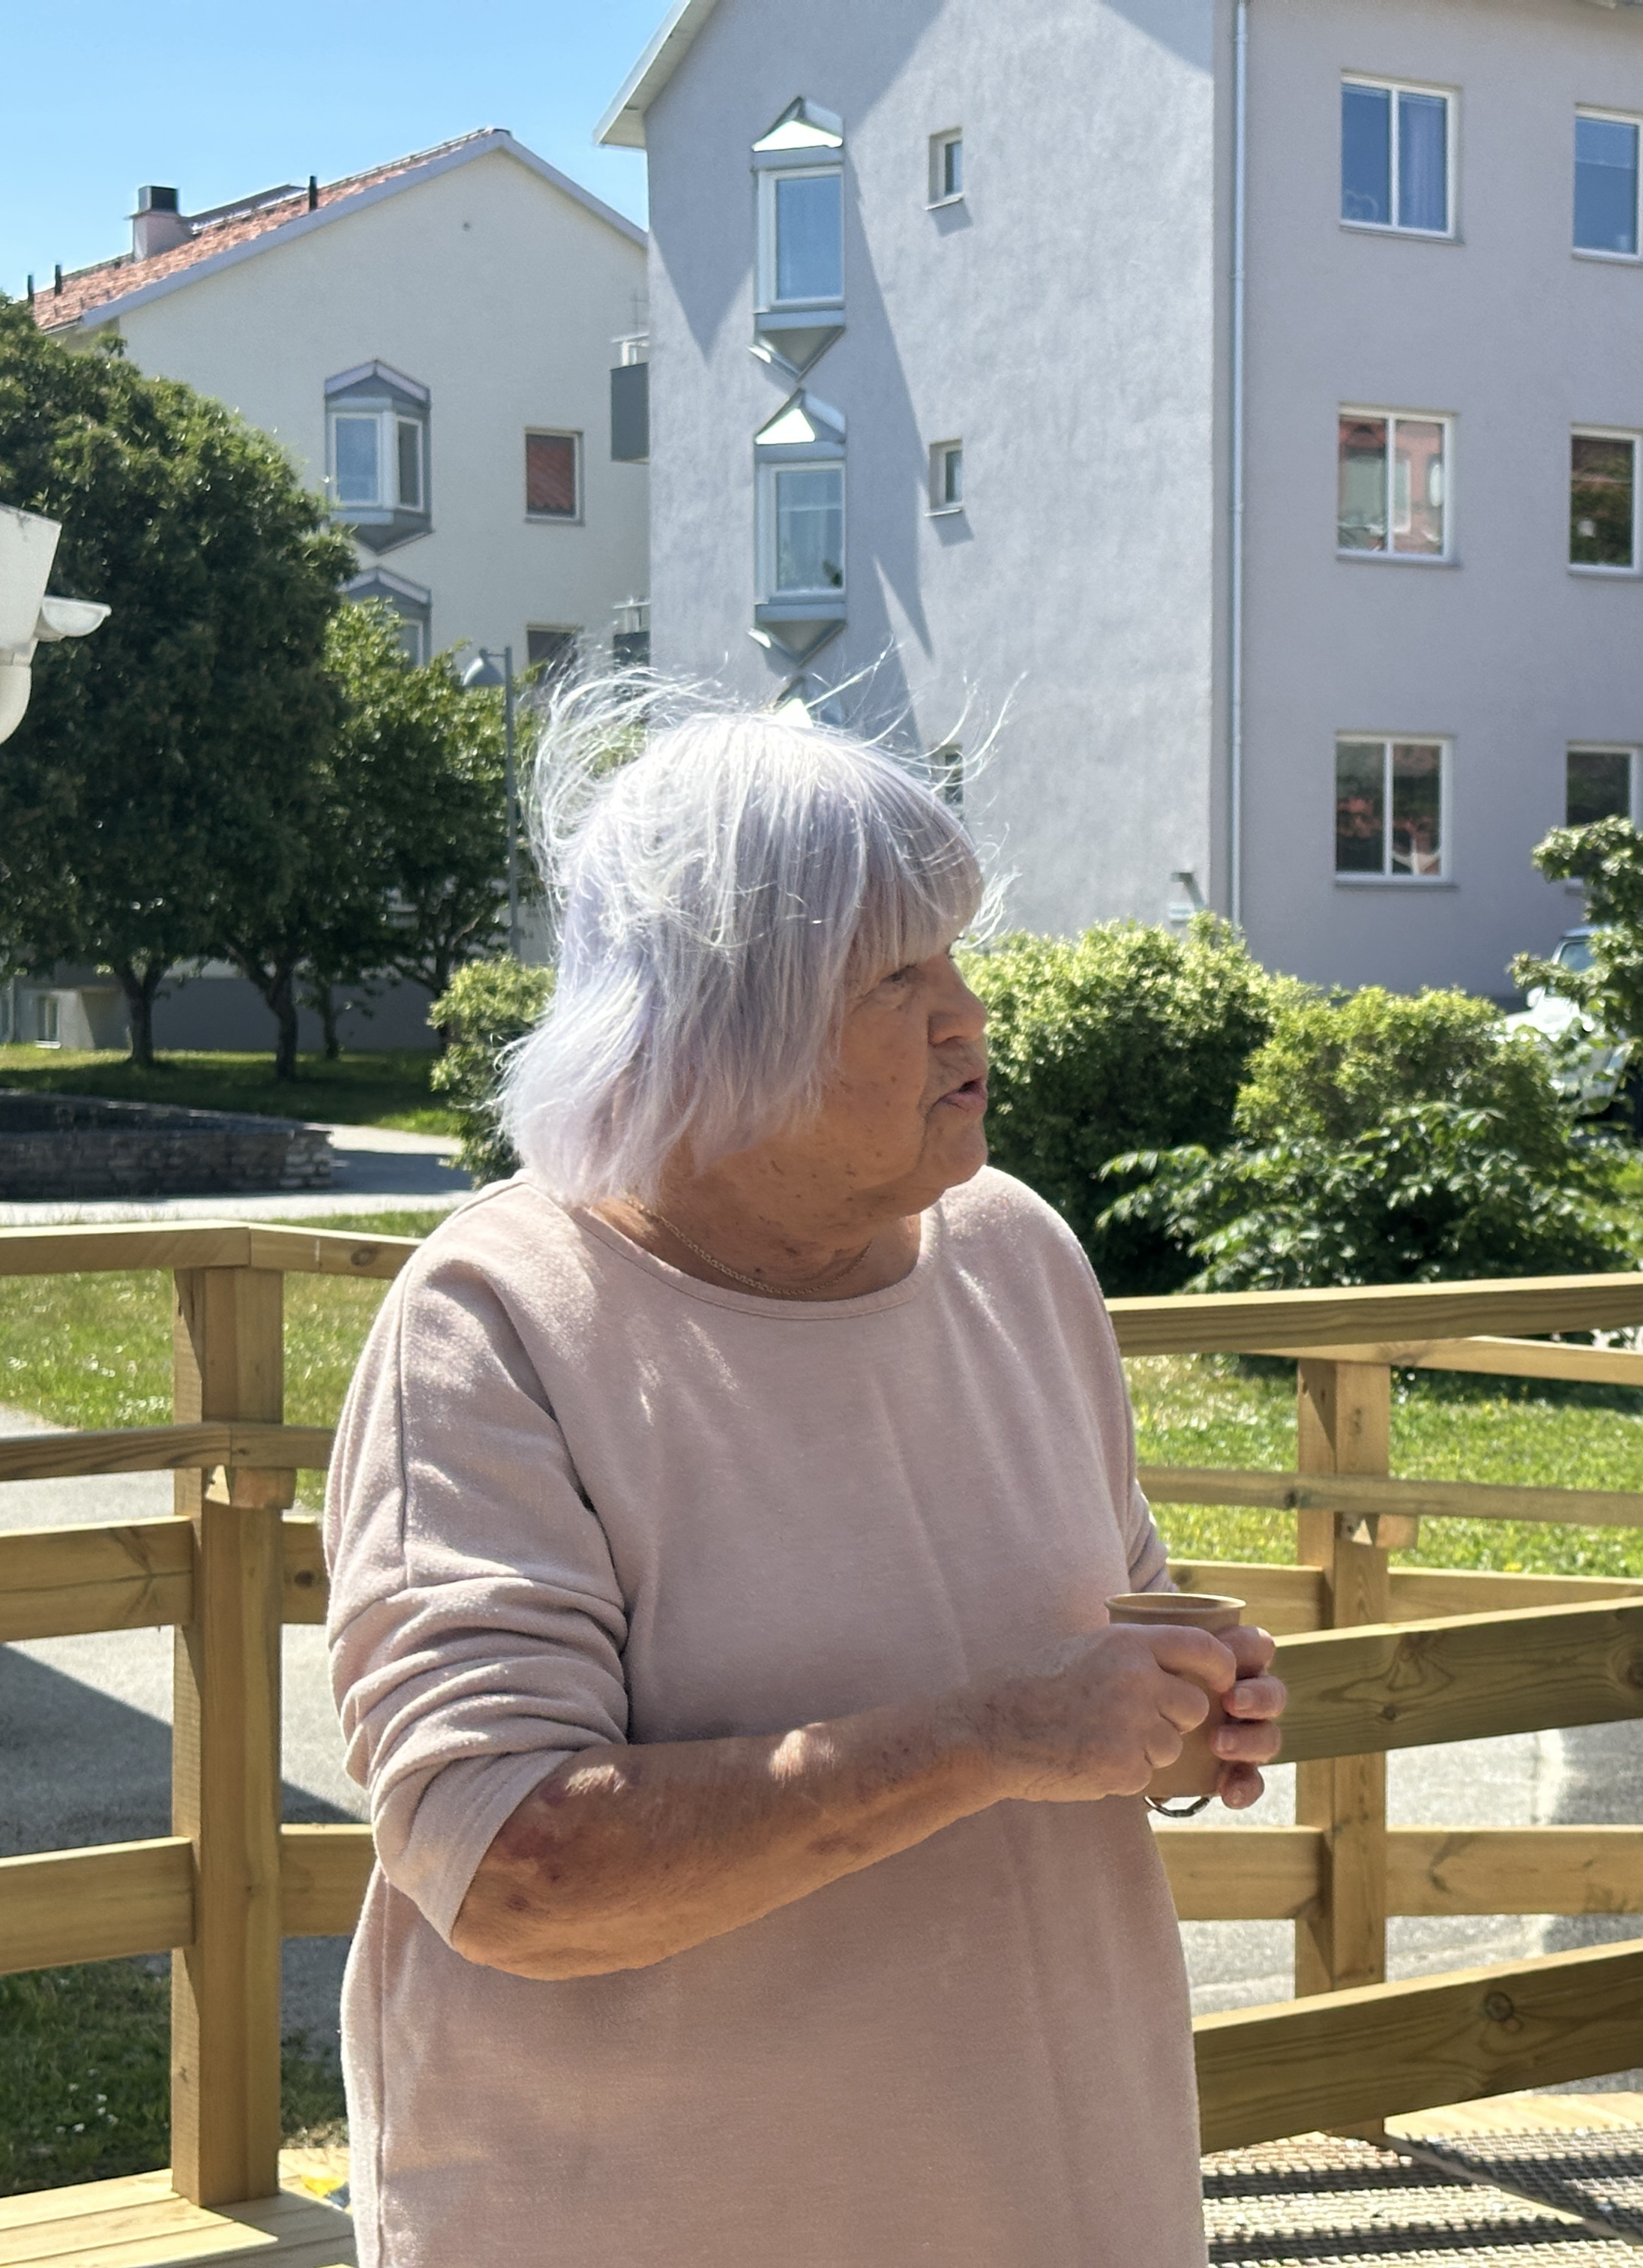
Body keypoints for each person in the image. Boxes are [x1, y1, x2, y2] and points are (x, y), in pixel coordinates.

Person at [321, 687, 1283, 2266]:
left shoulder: (1018, 1254)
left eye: (956, 957)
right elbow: (510, 1866)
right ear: (723, 1021)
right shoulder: (496, 1322)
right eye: (898, 976)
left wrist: (1179, 1701)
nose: (970, 1013)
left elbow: (1094, 1633)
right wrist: (995, 1737)